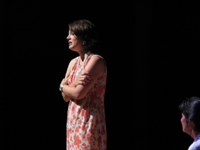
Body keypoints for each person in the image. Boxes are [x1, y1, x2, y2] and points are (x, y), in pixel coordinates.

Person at [59, 19, 107, 150]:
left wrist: (64, 86)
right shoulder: (72, 63)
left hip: (89, 122)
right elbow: (65, 97)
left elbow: (78, 94)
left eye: (72, 33)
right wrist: (70, 84)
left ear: (84, 37)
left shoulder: (95, 61)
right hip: (73, 121)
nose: (67, 37)